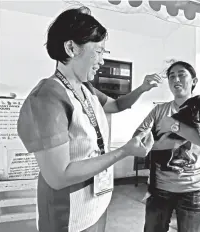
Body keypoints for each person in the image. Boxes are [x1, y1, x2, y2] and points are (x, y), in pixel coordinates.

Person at [17, 6, 159, 232]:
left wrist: (142, 88)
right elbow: (59, 176)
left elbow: (117, 104)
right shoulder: (47, 98)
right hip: (68, 216)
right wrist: (124, 151)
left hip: (95, 202)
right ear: (71, 47)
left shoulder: (85, 89)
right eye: (99, 51)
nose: (102, 60)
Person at [134, 61, 200, 232]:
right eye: (172, 76)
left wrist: (175, 127)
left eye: (182, 74)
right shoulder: (159, 110)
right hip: (160, 187)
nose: (176, 79)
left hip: (195, 188)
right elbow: (137, 142)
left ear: (194, 81)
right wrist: (164, 143)